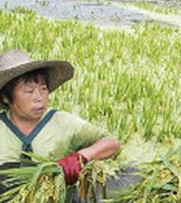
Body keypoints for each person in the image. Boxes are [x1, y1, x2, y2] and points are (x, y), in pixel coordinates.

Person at [0, 49, 120, 184]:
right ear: (5, 97)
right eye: (29, 91)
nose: (39, 98)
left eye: (43, 89)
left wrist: (80, 158)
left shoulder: (63, 122)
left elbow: (111, 142)